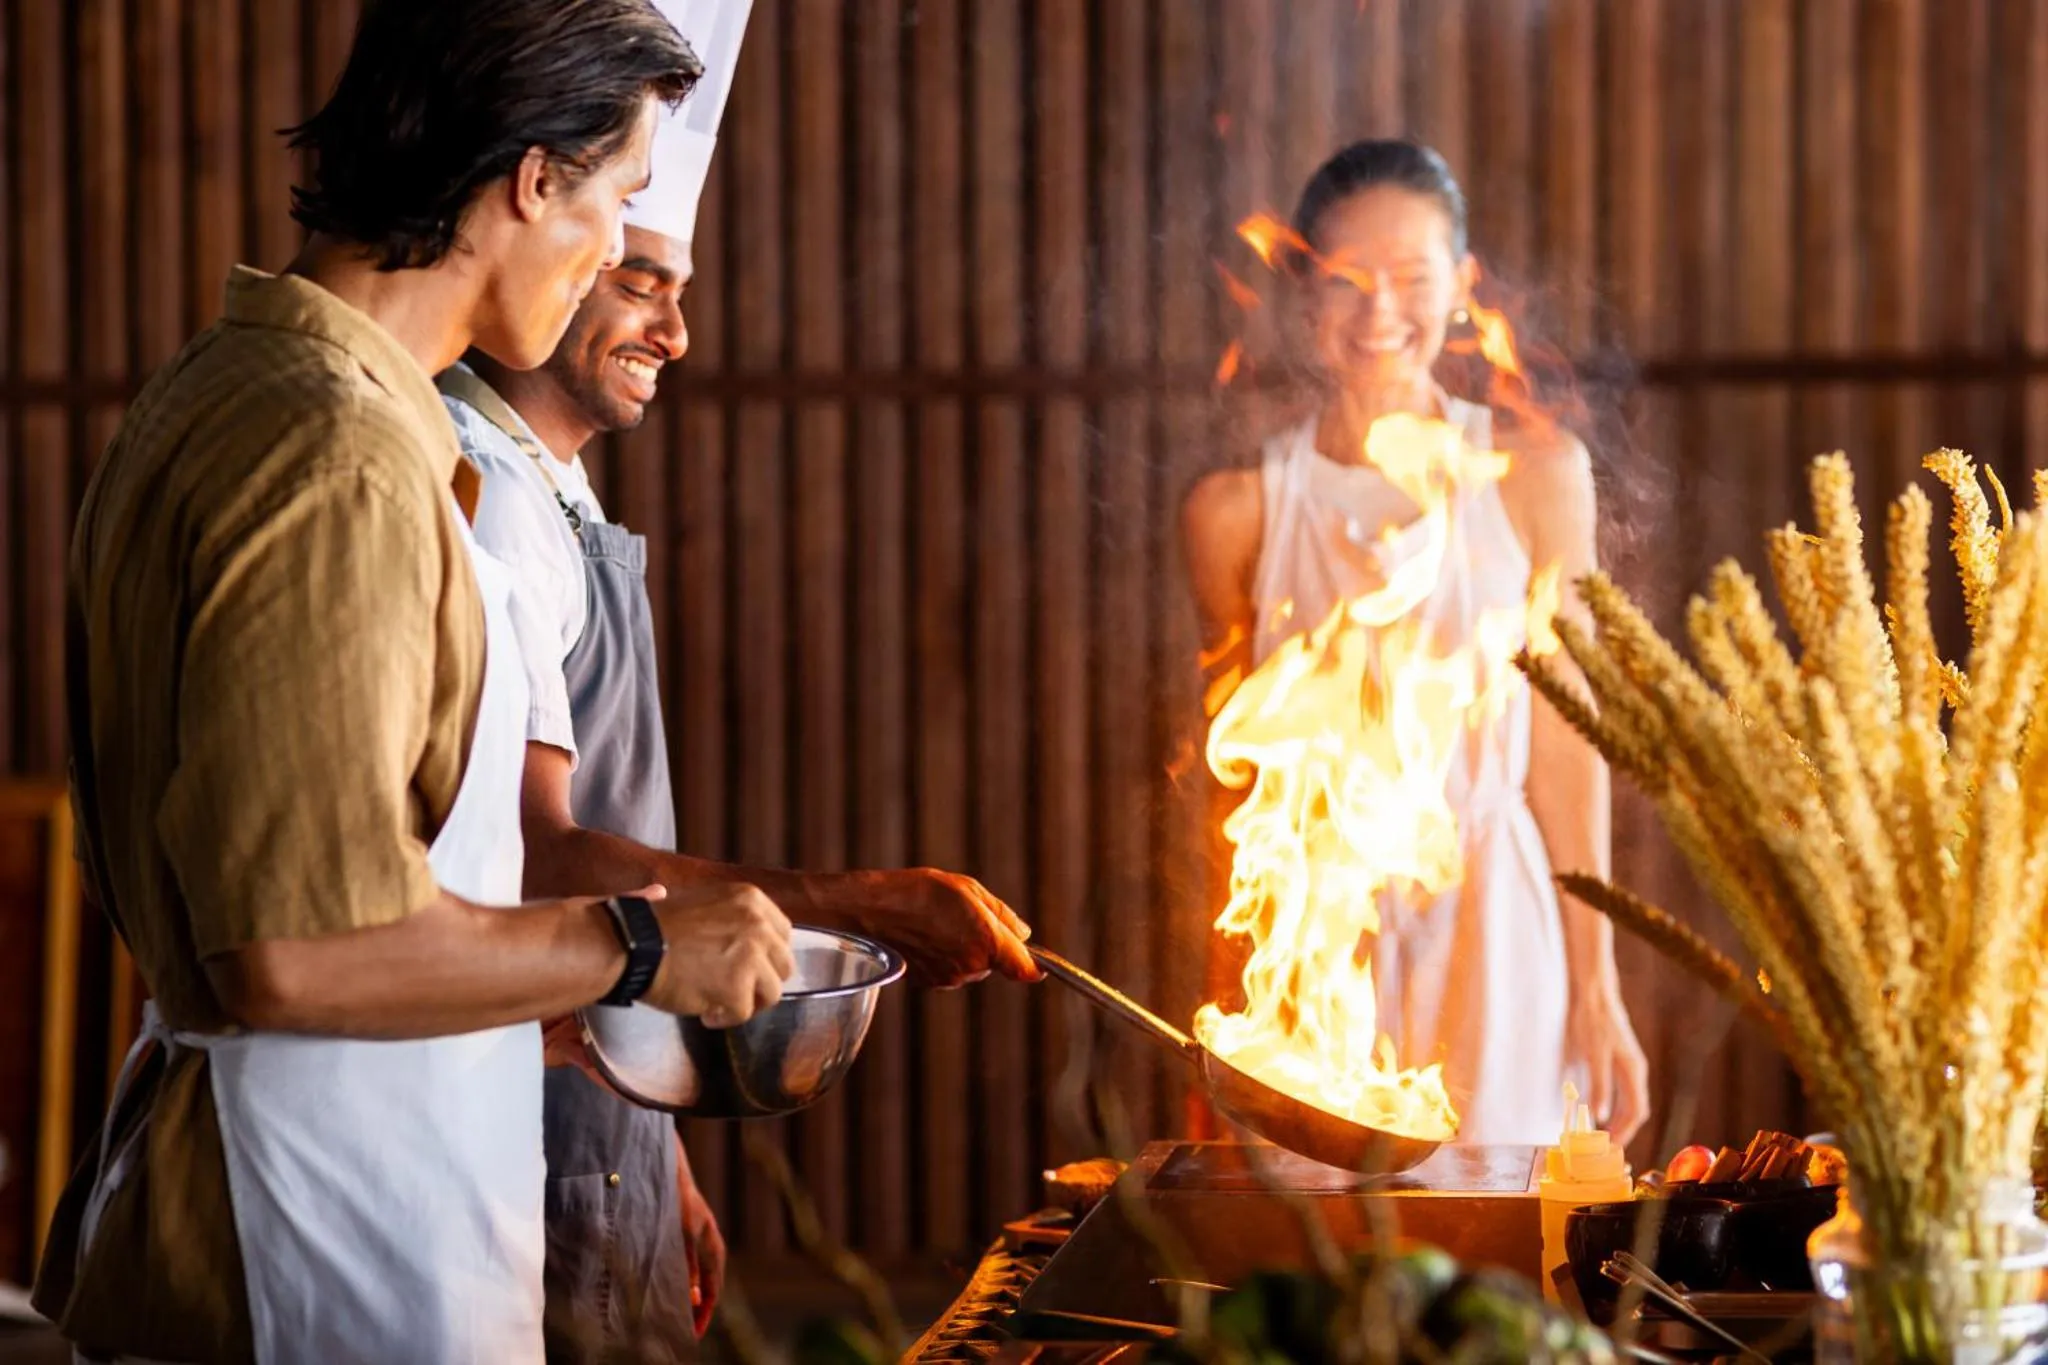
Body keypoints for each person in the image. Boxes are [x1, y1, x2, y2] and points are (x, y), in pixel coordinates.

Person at [36, 4, 794, 1362]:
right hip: (316, 1242)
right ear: (530, 180)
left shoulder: (249, 381)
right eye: (617, 201)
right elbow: (294, 949)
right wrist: (639, 944)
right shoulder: (334, 453)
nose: (618, 254)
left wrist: (530, 1018)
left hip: (361, 1177)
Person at [440, 6, 1037, 1356]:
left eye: (674, 291)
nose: (677, 334)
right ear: (548, 228)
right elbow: (536, 856)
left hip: (608, 1123)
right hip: (516, 1136)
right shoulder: (486, 504)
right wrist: (855, 906)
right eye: (641, 282)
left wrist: (666, 1158)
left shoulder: (560, 489)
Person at [1180, 140, 1648, 1147]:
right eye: (1346, 281)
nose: (1378, 311)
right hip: (1315, 928)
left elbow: (1565, 739)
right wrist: (1228, 1022)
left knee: (1496, 1251)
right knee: (1316, 1258)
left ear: (1461, 288)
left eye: (1411, 279)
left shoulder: (1530, 473)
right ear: (1302, 290)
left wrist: (1594, 979)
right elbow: (1234, 791)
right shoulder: (1235, 510)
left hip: (1493, 921)